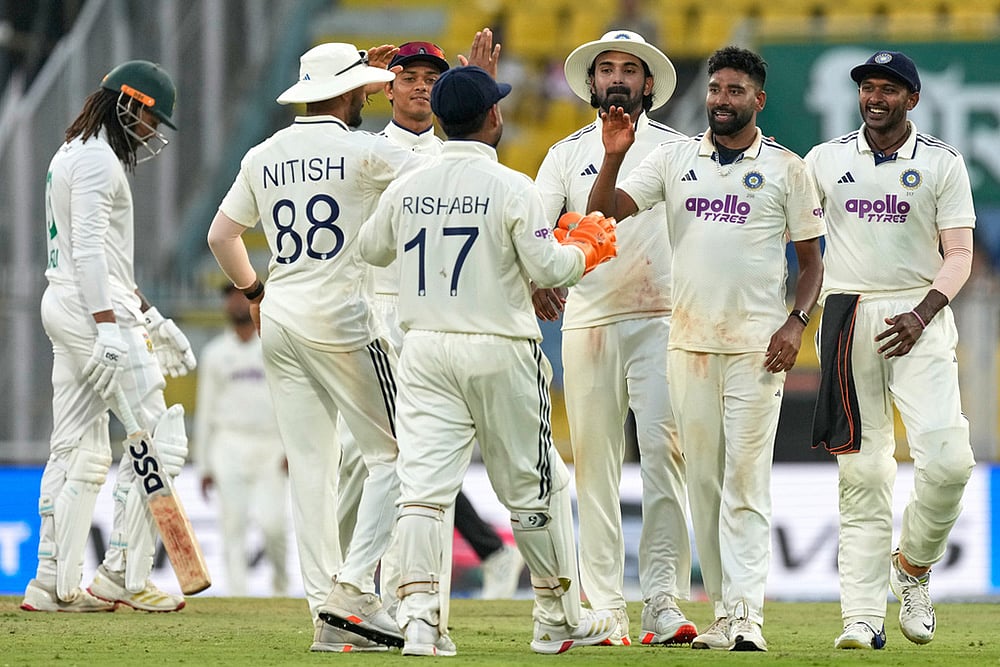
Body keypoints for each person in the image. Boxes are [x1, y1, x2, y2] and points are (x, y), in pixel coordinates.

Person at [357, 65, 619, 656]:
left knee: (423, 490)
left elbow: (373, 247)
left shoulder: (410, 184)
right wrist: (586, 247)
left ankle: (421, 621)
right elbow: (550, 270)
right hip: (499, 345)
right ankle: (557, 616)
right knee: (535, 487)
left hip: (424, 348)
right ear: (494, 117)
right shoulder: (512, 186)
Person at [587, 46, 825, 652]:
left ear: (758, 100)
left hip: (757, 349)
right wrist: (613, 157)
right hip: (687, 345)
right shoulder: (673, 160)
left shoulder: (788, 169)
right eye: (716, 88)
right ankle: (724, 614)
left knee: (745, 483)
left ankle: (747, 615)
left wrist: (796, 324)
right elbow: (603, 214)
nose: (721, 99)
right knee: (705, 487)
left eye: (735, 90)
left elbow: (812, 264)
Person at [207, 42, 418, 652]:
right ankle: (354, 590)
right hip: (344, 318)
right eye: (362, 90)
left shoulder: (263, 154)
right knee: (402, 452)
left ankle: (328, 616)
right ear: (347, 94)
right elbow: (432, 184)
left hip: (280, 320)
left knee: (312, 471)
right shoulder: (366, 148)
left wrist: (252, 288)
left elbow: (223, 235)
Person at [335, 35, 525, 603]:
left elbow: (492, 176)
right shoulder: (365, 150)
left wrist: (481, 98)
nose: (420, 86)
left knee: (414, 461)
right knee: (362, 460)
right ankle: (351, 582)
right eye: (408, 77)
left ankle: (400, 595)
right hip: (376, 312)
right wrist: (356, 81)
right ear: (388, 88)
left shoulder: (454, 154)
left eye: (432, 79)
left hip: (432, 318)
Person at [804, 50, 976, 650]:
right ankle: (860, 617)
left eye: (889, 89)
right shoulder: (824, 160)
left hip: (919, 314)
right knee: (864, 471)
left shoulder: (941, 163)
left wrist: (923, 313)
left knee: (950, 461)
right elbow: (794, 236)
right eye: (868, 88)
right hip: (849, 312)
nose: (875, 98)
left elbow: (959, 254)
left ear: (913, 99)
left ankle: (914, 568)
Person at [533, 29, 695, 646]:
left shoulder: (680, 151)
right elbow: (538, 228)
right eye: (608, 70)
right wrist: (535, 279)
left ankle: (662, 601)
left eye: (631, 69)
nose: (619, 79)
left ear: (649, 83)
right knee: (596, 466)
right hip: (591, 319)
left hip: (663, 316)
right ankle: (604, 606)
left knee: (665, 459)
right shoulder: (562, 153)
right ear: (591, 83)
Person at [21, 60, 195, 614]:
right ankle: (124, 572)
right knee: (159, 438)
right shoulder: (97, 161)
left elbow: (107, 263)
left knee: (80, 445)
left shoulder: (72, 151)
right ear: (131, 104)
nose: (152, 134)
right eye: (152, 120)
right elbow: (92, 253)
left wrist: (153, 317)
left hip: (71, 303)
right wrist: (109, 327)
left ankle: (51, 582)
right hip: (93, 311)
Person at [194, 285, 288, 597]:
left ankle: (281, 589)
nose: (236, 302)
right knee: (232, 525)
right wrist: (204, 464)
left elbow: (290, 398)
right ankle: (238, 595)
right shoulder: (215, 353)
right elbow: (205, 409)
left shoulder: (273, 347)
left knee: (273, 525)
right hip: (229, 443)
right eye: (230, 296)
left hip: (270, 444)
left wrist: (291, 448)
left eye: (241, 295)